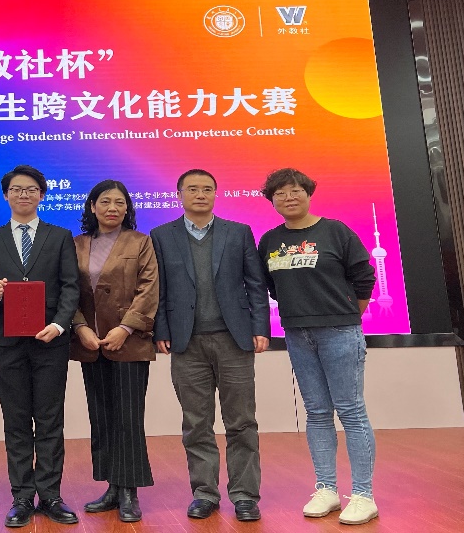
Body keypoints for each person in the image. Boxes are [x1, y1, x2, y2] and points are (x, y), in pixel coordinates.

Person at [258, 168, 378, 525]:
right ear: (272, 200)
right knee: (317, 412)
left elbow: (364, 277)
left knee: (351, 411)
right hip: (297, 334)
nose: (288, 197)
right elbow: (271, 286)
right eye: (280, 193)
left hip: (340, 332)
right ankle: (326, 488)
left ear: (308, 194)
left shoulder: (336, 231)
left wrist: (345, 315)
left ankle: (363, 495)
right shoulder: (270, 240)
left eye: (295, 190)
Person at [150, 168, 270, 523]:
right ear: (179, 195)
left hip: (234, 340)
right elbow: (158, 288)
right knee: (196, 423)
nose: (200, 194)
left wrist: (260, 327)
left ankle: (245, 496)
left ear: (216, 194)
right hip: (186, 342)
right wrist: (161, 329)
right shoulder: (161, 235)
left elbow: (255, 284)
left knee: (242, 421)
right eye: (192, 189)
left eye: (207, 189)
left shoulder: (238, 232)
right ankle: (204, 493)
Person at [0, 165, 80, 528]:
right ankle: (21, 497)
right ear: (6, 195)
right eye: (16, 189)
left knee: (49, 420)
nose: (24, 195)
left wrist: (59, 324)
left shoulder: (59, 236)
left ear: (41, 195)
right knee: (16, 421)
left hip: (50, 342)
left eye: (31, 189)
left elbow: (70, 286)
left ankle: (50, 495)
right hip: (7, 344)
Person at [71, 180, 159, 523]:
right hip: (91, 343)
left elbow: (149, 288)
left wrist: (125, 328)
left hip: (130, 342)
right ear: (92, 206)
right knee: (102, 416)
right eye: (105, 201)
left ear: (127, 208)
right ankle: (111, 486)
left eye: (119, 202)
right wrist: (80, 327)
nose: (112, 208)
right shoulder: (76, 244)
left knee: (128, 417)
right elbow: (68, 291)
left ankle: (129, 492)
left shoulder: (141, 242)